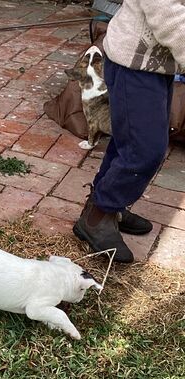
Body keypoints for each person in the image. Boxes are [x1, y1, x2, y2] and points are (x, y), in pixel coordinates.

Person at [73, 0, 185, 263]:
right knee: (145, 151)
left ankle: (106, 204)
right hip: (132, 68)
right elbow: (167, 14)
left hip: (156, 66)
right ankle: (99, 214)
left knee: (130, 139)